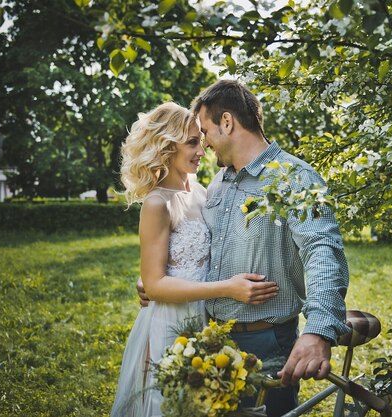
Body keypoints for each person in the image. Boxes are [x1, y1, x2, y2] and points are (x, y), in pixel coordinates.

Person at [138, 80, 350, 417]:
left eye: (204, 131)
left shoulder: (294, 178)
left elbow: (323, 252)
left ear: (227, 122)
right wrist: (160, 282)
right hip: (211, 338)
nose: (204, 144)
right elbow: (199, 248)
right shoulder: (219, 183)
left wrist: (318, 330)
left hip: (267, 342)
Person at [111, 102, 279, 417]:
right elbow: (156, 285)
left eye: (200, 139)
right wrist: (225, 288)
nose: (201, 149)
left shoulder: (201, 193)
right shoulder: (158, 203)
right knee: (173, 404)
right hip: (171, 324)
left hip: (205, 320)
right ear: (165, 147)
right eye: (191, 142)